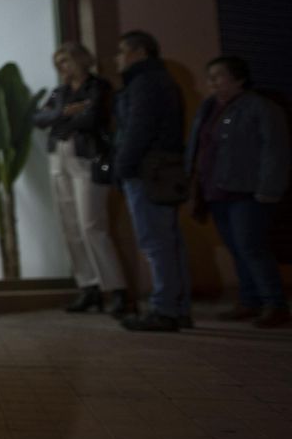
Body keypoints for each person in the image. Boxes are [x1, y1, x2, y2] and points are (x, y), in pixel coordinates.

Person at [186, 56, 290, 328]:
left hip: (247, 191)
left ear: (239, 79)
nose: (212, 82)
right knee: (236, 247)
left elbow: (274, 150)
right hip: (217, 190)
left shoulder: (261, 107)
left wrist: (269, 188)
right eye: (210, 76)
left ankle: (275, 303)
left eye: (218, 76)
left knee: (251, 246)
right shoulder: (210, 108)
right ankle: (249, 300)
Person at [33, 42, 129, 315]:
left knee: (91, 225)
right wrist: (64, 113)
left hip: (88, 158)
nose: (63, 67)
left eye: (67, 60)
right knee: (70, 226)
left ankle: (117, 290)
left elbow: (92, 118)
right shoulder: (61, 92)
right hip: (59, 157)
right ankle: (89, 288)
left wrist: (61, 118)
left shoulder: (99, 86)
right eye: (59, 62)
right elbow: (38, 119)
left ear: (82, 60)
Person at [111, 30, 191, 333]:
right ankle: (177, 308)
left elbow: (137, 129)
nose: (117, 58)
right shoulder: (161, 80)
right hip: (160, 168)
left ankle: (164, 309)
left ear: (139, 52)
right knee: (168, 241)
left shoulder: (145, 83)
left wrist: (122, 166)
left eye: (121, 51)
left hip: (147, 170)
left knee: (155, 241)